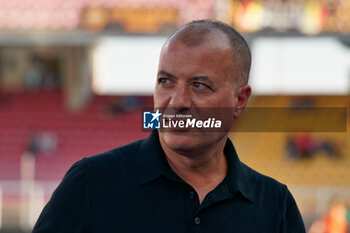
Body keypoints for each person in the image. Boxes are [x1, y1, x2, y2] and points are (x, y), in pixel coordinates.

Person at [32, 20, 306, 233]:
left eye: (199, 85)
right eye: (166, 81)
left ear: (239, 100)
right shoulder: (90, 183)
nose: (177, 101)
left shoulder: (275, 205)